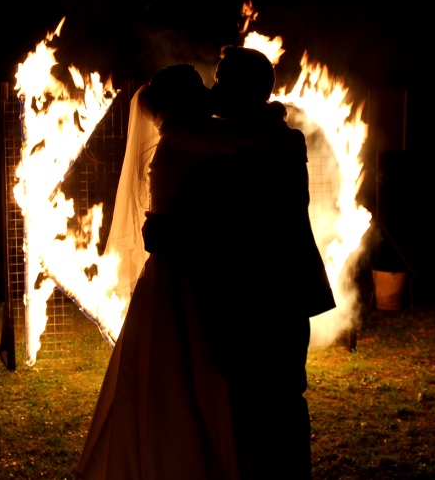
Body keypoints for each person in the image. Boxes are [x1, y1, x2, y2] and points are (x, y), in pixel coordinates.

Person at [144, 46, 336, 479]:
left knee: (277, 405)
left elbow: (229, 219)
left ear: (248, 89)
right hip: (253, 298)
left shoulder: (271, 143)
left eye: (222, 81)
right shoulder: (251, 138)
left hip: (269, 298)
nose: (214, 90)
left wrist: (170, 230)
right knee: (253, 405)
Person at [75, 64, 242, 480]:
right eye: (201, 89)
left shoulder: (181, 141)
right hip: (185, 279)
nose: (210, 94)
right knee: (188, 372)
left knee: (172, 374)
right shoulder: (188, 143)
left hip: (177, 275)